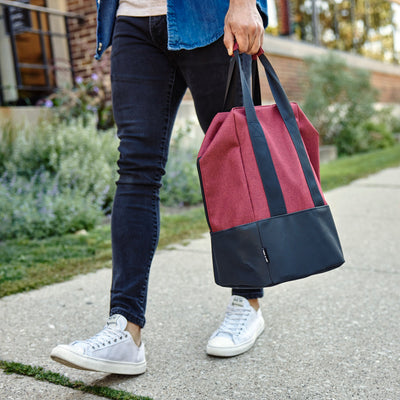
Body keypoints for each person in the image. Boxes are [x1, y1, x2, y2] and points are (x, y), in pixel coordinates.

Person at [51, 0, 268, 375]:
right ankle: (125, 329)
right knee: (135, 168)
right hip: (133, 21)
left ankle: (246, 302)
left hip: (212, 17)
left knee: (234, 158)